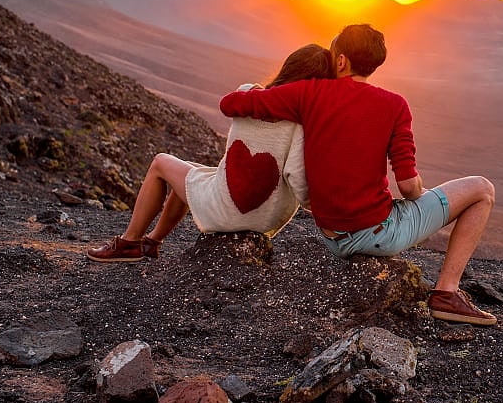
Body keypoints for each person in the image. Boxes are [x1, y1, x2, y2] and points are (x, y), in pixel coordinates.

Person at [219, 24, 498, 326]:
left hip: (331, 236)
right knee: (482, 189)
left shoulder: (308, 93)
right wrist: (421, 192)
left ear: (341, 61)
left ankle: (445, 292)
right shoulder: (395, 105)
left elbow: (229, 104)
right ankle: (446, 293)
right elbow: (408, 187)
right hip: (377, 235)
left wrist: (263, 94)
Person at [86, 44, 335, 262]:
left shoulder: (248, 93)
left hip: (228, 212)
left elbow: (234, 103)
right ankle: (152, 241)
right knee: (193, 171)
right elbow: (299, 182)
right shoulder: (302, 125)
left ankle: (129, 242)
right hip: (266, 220)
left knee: (161, 162)